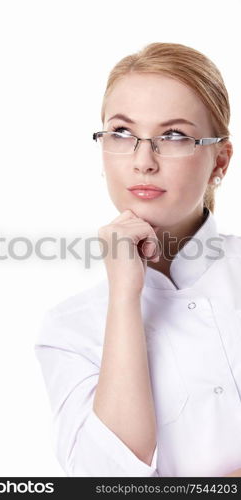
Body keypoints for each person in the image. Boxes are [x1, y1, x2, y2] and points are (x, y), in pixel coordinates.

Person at [34, 42, 241, 477]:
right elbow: (107, 483)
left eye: (174, 136)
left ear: (219, 159)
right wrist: (125, 298)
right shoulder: (71, 328)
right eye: (123, 134)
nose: (143, 162)